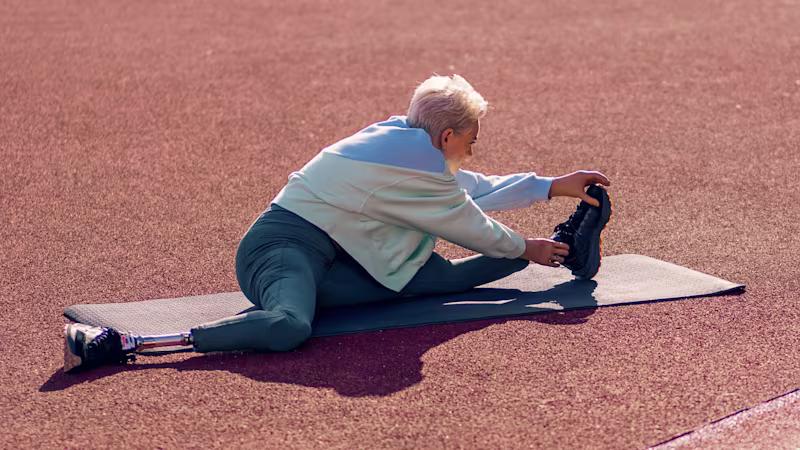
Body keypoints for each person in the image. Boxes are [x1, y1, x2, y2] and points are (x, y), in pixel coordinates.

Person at [63, 74, 611, 372]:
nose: (473, 147)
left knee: (444, 280)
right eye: (471, 139)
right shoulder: (414, 161)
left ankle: (563, 246)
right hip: (282, 248)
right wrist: (522, 248)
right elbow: (466, 220)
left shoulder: (405, 141)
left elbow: (468, 189)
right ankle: (126, 342)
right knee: (289, 327)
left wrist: (552, 187)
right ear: (446, 137)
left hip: (346, 253)